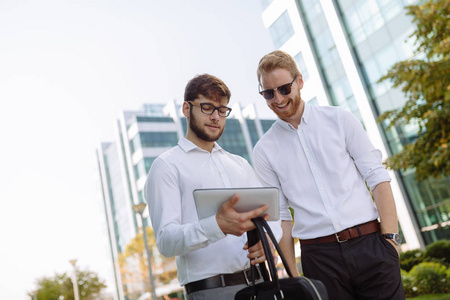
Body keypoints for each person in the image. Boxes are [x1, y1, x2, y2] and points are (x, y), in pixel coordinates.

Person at [253, 50, 405, 299]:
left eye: (284, 89)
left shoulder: (340, 119)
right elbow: (282, 217)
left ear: (299, 81)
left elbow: (377, 177)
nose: (278, 99)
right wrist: (293, 277)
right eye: (268, 93)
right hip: (319, 260)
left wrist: (390, 240)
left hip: (371, 246)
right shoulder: (264, 151)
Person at [145, 74, 282, 300]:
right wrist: (216, 225)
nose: (216, 117)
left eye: (222, 110)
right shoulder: (166, 166)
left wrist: (269, 240)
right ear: (186, 109)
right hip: (211, 291)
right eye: (207, 107)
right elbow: (166, 241)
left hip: (261, 283)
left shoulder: (239, 164)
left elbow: (268, 214)